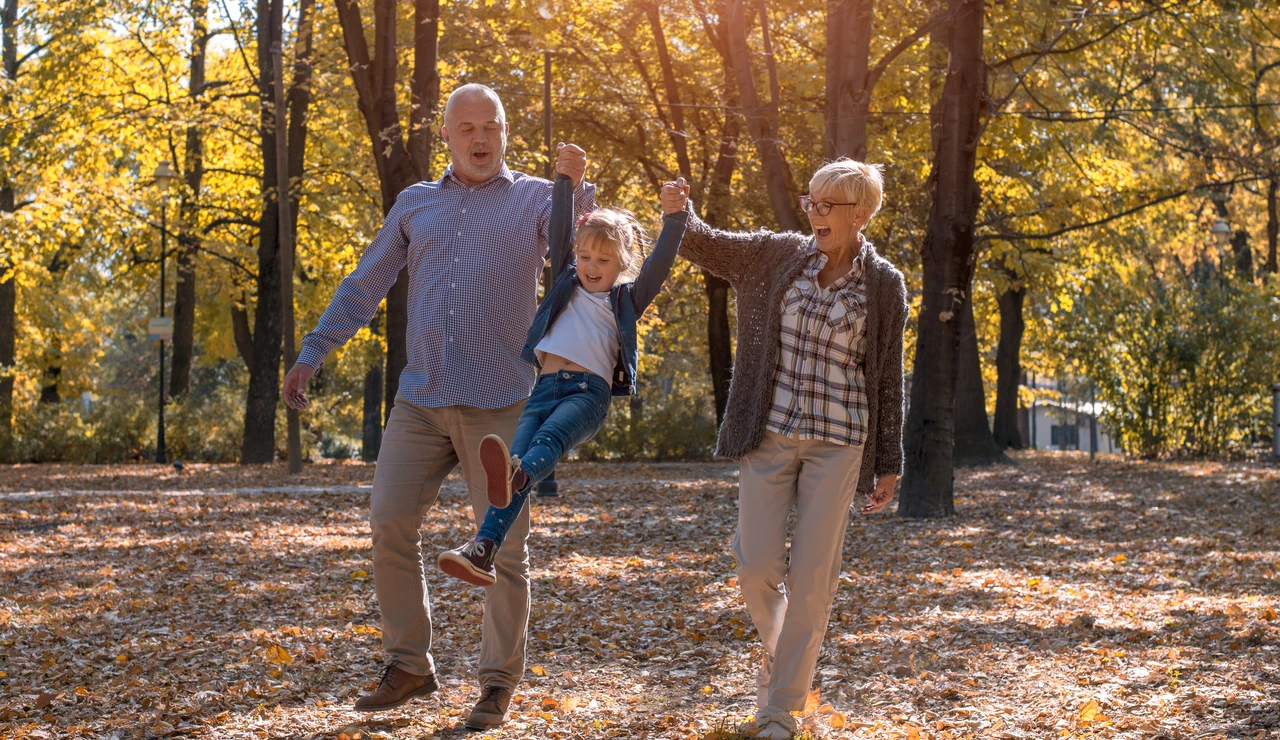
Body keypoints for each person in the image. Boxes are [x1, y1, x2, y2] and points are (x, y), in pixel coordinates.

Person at [280, 84, 594, 731]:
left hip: (504, 405)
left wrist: (576, 189)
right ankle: (408, 665)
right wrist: (314, 351)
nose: (480, 138)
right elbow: (365, 282)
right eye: (467, 128)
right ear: (447, 137)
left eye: (492, 127)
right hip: (421, 401)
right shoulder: (416, 204)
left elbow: (577, 256)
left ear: (505, 134)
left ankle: (497, 683)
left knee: (502, 547)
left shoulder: (538, 197)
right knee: (390, 520)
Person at [675, 159, 907, 740]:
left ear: (859, 213)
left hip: (840, 441)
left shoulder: (884, 286)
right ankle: (787, 663)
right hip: (770, 430)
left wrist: (889, 462)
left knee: (812, 581)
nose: (814, 213)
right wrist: (680, 213)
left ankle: (780, 710)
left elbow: (886, 379)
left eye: (827, 205)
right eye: (811, 202)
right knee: (755, 566)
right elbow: (708, 246)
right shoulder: (778, 254)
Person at [437, 173, 690, 586]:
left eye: (603, 261)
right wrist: (566, 180)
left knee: (546, 443)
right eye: (585, 256)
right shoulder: (564, 286)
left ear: (622, 264)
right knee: (510, 472)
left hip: (587, 394)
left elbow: (659, 264)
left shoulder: (625, 300)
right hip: (543, 390)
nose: (591, 266)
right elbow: (558, 230)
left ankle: (517, 482)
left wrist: (674, 216)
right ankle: (482, 550)